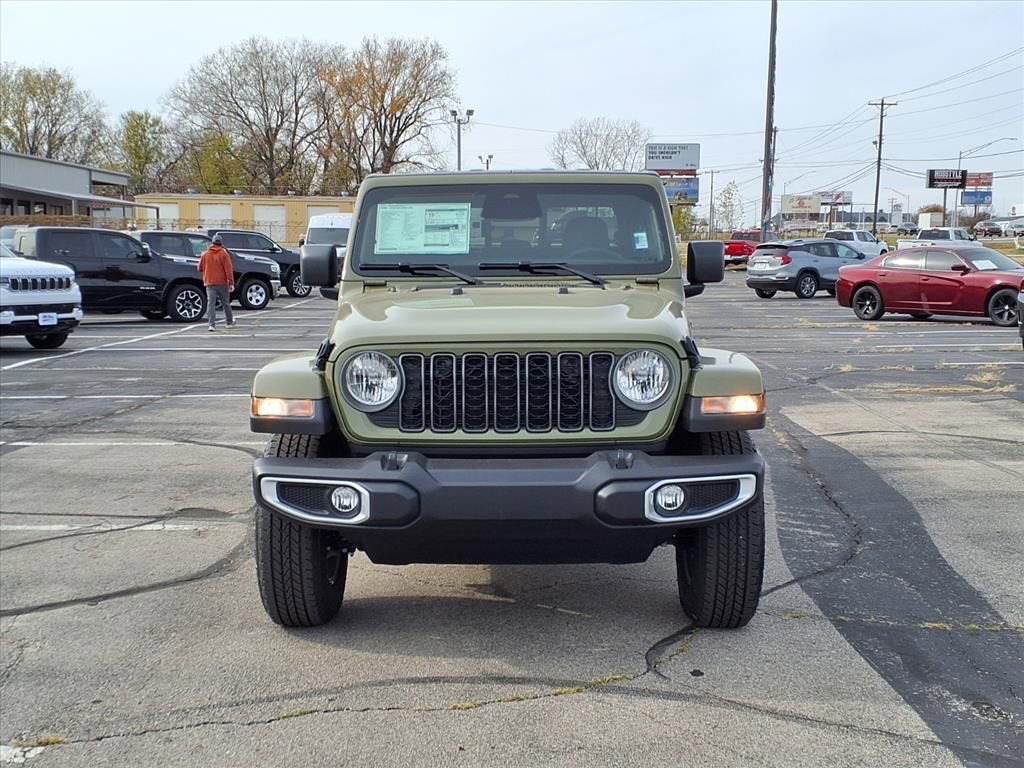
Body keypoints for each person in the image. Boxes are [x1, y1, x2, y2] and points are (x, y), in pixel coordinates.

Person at [197, 234, 235, 331]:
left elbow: (199, 268)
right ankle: (229, 322)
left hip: (209, 282)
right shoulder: (224, 254)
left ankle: (211, 325)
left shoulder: (205, 254)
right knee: (225, 303)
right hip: (222, 282)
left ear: (212, 242)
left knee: (211, 304)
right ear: (221, 243)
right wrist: (231, 282)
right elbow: (228, 269)